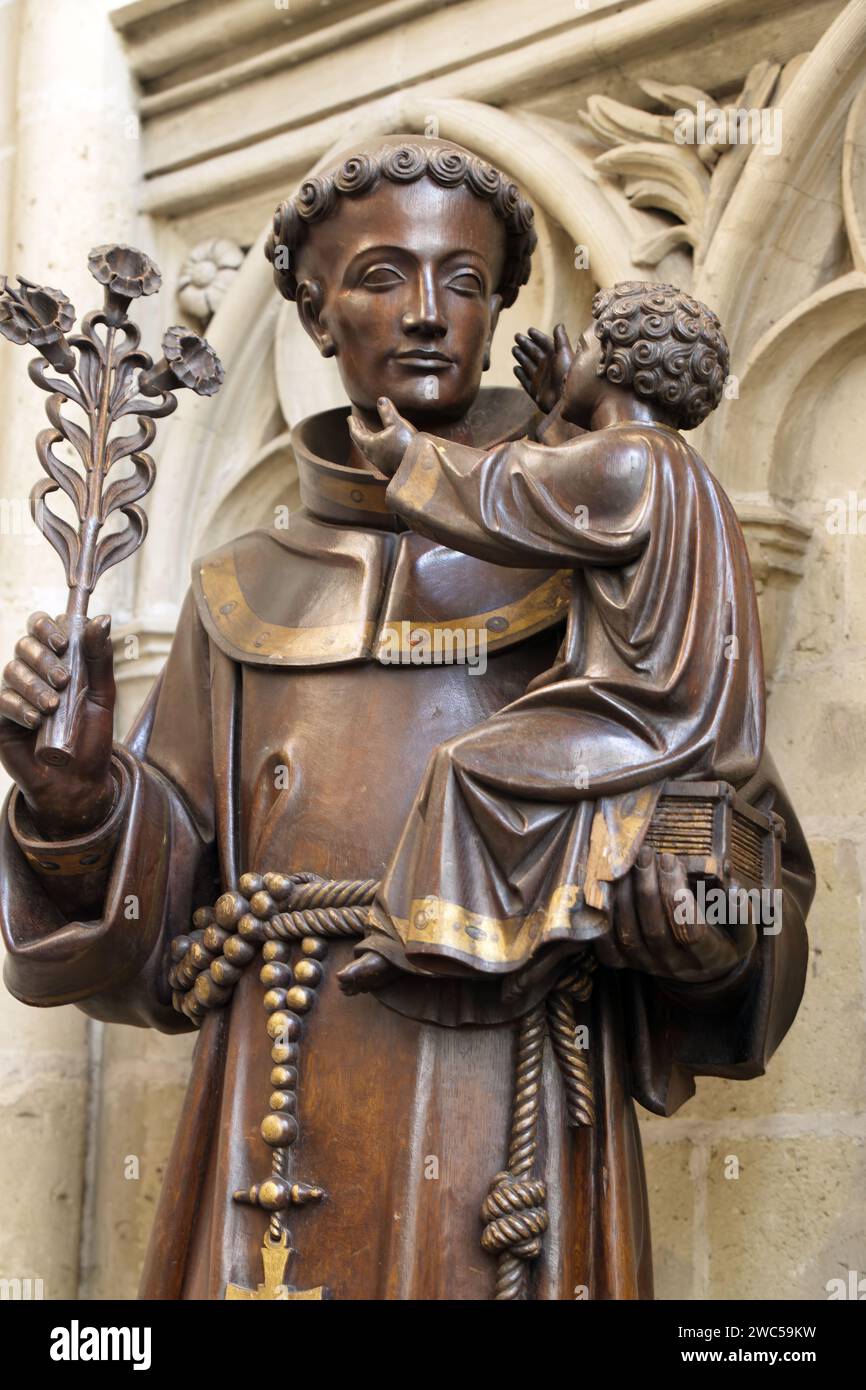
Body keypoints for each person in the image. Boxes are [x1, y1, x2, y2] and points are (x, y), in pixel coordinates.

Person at [0, 140, 812, 1300]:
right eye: (381, 277)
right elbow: (159, 921)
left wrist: (702, 935)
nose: (427, 314)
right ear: (317, 317)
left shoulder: (599, 552)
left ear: (498, 313)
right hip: (278, 1101)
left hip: (513, 1104)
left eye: (465, 281)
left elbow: (733, 830)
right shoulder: (239, 588)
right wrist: (75, 809)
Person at [345, 283, 772, 1005]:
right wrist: (562, 414)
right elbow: (564, 494)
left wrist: (407, 457)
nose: (570, 357)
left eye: (589, 345)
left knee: (469, 761)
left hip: (642, 718)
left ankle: (439, 941)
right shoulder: (680, 472)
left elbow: (512, 493)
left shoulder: (630, 458)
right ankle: (539, 926)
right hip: (677, 712)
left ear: (614, 361)